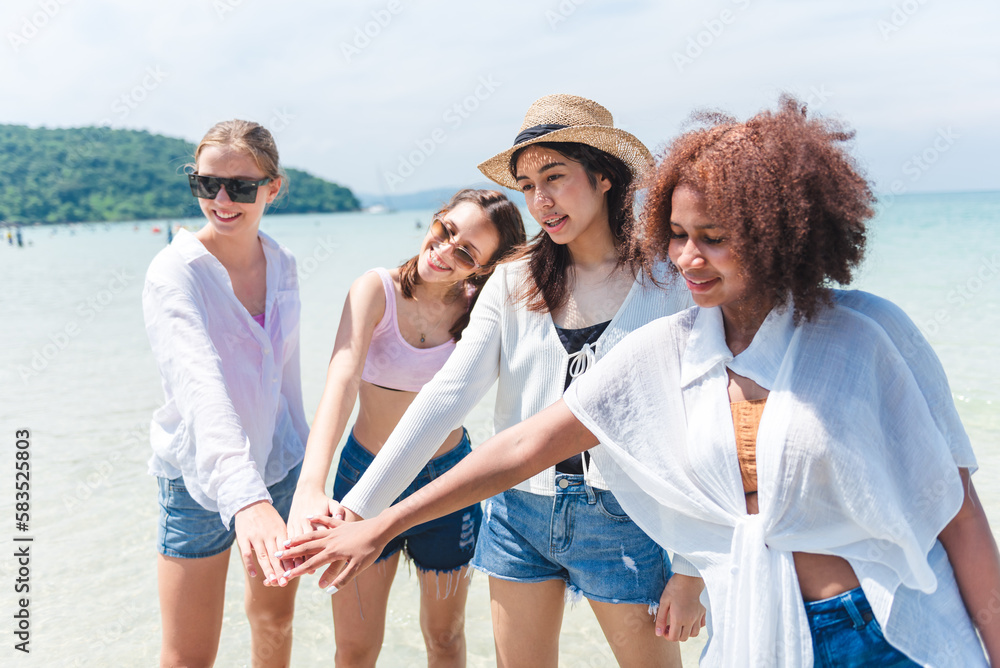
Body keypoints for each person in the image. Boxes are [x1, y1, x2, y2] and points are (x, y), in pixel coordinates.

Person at [280, 98, 1000, 667]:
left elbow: (954, 513)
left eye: (713, 236)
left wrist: (685, 569)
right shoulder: (626, 323)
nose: (690, 258)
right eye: (680, 235)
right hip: (665, 582)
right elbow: (506, 434)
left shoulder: (824, 326)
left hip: (831, 601)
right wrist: (365, 517)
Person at [283, 94, 703, 667]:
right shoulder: (513, 283)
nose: (540, 200)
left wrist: (690, 569)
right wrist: (357, 513)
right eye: (528, 185)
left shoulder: (666, 281)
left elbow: (700, 425)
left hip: (627, 518)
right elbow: (445, 399)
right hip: (517, 517)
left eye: (555, 177)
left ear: (604, 176)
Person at [284, 189, 524, 667]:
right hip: (361, 477)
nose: (444, 249)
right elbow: (342, 377)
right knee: (354, 649)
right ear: (434, 219)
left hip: (447, 483)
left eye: (466, 252)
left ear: (484, 267)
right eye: (445, 230)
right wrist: (311, 484)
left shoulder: (484, 307)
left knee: (445, 639)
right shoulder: (377, 289)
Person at [143, 119, 308, 667]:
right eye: (205, 183)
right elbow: (201, 388)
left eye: (240, 187)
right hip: (196, 477)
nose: (220, 199)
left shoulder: (283, 264)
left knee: (275, 623)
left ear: (272, 188)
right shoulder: (174, 273)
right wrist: (245, 499)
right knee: (190, 655)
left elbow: (287, 382)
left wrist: (305, 472)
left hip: (277, 467)